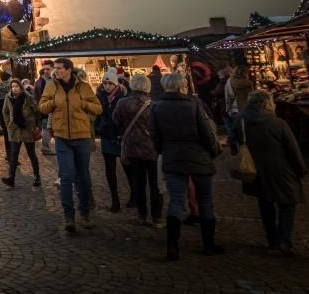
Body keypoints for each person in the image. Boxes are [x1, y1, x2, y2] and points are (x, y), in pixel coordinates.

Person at [150, 72, 223, 260]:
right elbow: (207, 133)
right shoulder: (193, 105)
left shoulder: (157, 107)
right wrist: (214, 151)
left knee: (176, 201)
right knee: (205, 200)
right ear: (182, 86)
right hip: (199, 157)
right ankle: (208, 244)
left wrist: (164, 151)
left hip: (173, 157)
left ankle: (172, 246)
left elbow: (155, 137)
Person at [234, 91, 307, 257]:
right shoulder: (277, 123)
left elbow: (234, 141)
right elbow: (292, 149)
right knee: (287, 205)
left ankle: (272, 239)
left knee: (265, 204)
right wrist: (300, 169)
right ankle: (282, 241)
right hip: (281, 170)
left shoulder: (241, 121)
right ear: (267, 103)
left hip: (256, 169)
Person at [38, 58, 102, 233]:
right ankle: (69, 216)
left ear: (69, 70)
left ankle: (85, 212)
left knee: (83, 175)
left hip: (81, 136)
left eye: (59, 68)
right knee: (66, 176)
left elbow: (98, 108)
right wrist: (54, 103)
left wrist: (82, 104)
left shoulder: (83, 87)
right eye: (55, 68)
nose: (55, 71)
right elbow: (42, 107)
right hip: (61, 137)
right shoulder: (51, 86)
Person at [113, 73, 162, 227]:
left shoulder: (122, 103)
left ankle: (142, 215)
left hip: (132, 148)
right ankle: (157, 216)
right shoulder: (154, 104)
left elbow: (116, 120)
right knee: (155, 184)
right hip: (152, 148)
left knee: (138, 182)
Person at [95, 70, 134, 212]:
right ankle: (115, 200)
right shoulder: (99, 96)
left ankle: (134, 196)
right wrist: (99, 127)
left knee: (128, 168)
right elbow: (98, 115)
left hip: (121, 137)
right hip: (107, 136)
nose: (107, 86)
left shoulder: (123, 96)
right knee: (110, 170)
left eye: (110, 83)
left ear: (115, 83)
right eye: (105, 83)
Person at [1, 79, 40, 187]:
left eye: (16, 86)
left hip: (27, 129)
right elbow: (5, 112)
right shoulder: (8, 98)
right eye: (13, 87)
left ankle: (37, 176)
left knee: (31, 153)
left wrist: (34, 124)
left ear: (21, 87)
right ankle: (11, 178)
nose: (14, 88)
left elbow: (36, 110)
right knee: (13, 155)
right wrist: (9, 123)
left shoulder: (28, 97)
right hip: (14, 129)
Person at [224, 66, 254, 154]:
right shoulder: (248, 83)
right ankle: (248, 149)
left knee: (236, 128)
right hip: (247, 108)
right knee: (247, 130)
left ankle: (236, 145)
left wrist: (229, 108)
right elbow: (251, 96)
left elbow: (228, 96)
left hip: (235, 108)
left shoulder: (229, 81)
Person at [34, 63, 54, 155]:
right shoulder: (44, 82)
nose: (46, 71)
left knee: (46, 128)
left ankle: (45, 147)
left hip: (44, 108)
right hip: (46, 109)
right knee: (46, 128)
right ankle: (45, 147)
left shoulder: (40, 81)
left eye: (48, 69)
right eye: (45, 69)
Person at [0, 70, 13, 156]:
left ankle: (8, 153)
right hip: (10, 112)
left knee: (6, 133)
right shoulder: (11, 87)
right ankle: (12, 153)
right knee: (12, 133)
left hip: (2, 112)